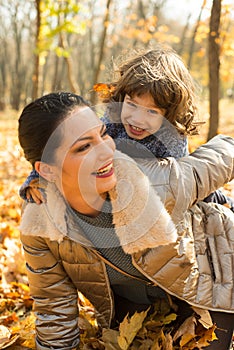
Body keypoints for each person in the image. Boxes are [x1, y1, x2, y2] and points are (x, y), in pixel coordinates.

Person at [18, 92, 234, 350]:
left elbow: (226, 151)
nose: (107, 151)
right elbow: (54, 312)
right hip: (140, 311)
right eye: (84, 147)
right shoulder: (40, 225)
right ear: (46, 170)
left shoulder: (150, 178)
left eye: (103, 134)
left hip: (213, 281)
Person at [20, 45, 234, 211]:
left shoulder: (170, 139)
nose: (137, 119)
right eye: (131, 105)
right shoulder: (112, 123)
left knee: (208, 199)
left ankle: (226, 204)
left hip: (177, 188)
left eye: (152, 112)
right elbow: (60, 154)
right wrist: (35, 179)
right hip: (120, 182)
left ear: (169, 115)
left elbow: (175, 185)